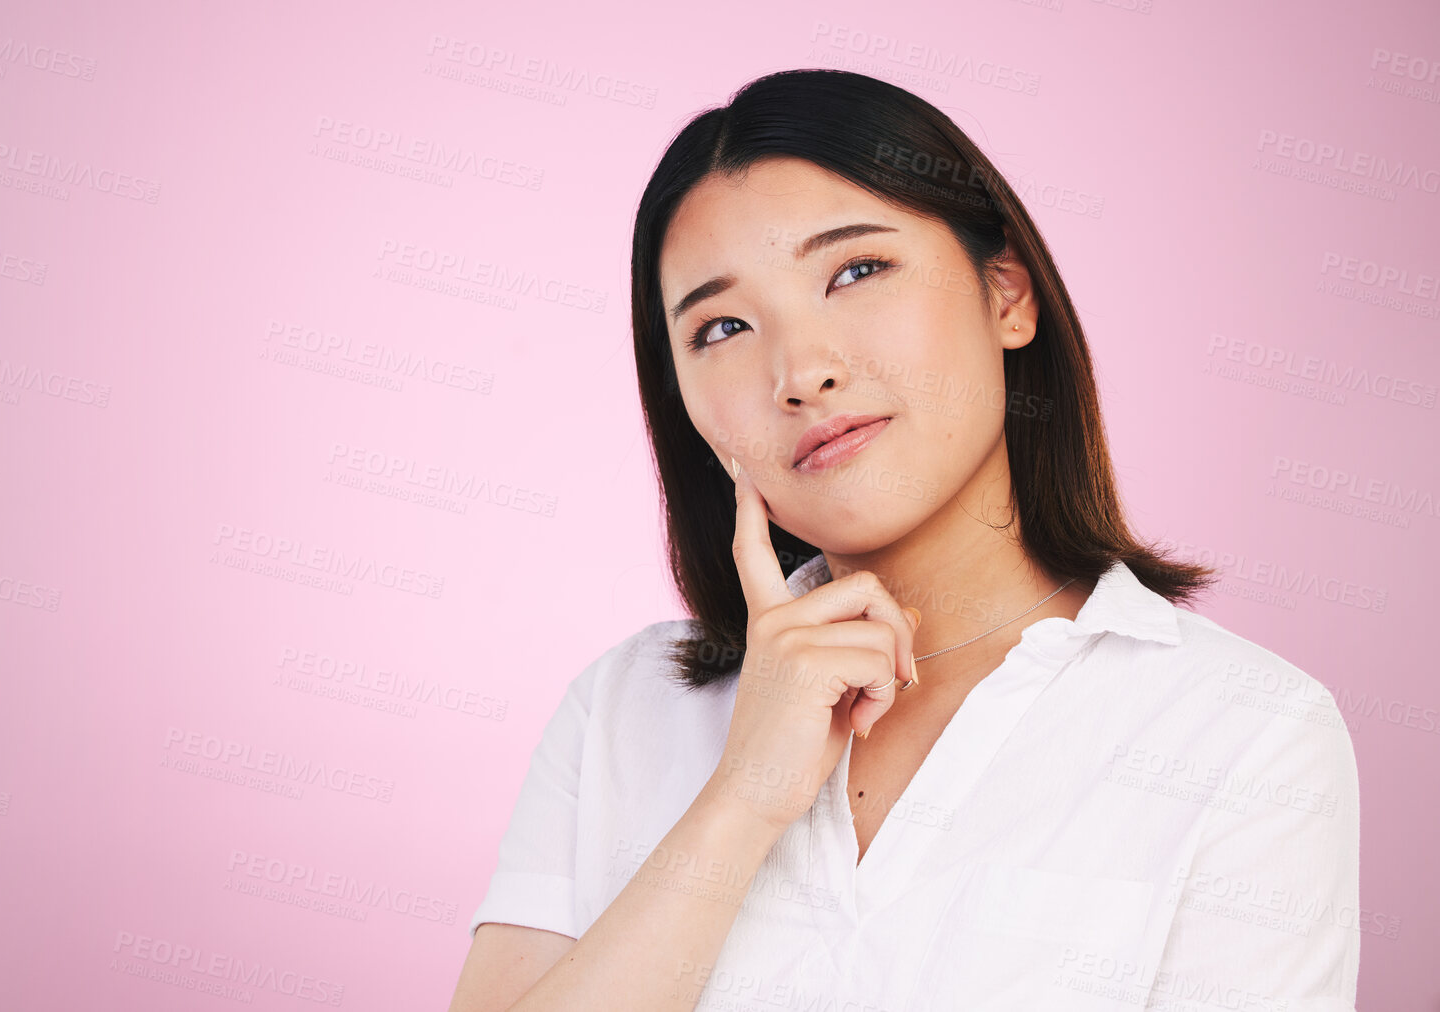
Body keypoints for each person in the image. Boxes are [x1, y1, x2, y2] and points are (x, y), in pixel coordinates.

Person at [448, 69, 1360, 1012]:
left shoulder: (1243, 730)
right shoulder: (623, 707)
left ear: (1006, 292)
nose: (801, 373)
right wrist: (742, 801)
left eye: (853, 272)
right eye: (721, 327)